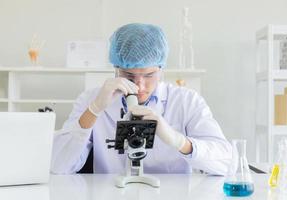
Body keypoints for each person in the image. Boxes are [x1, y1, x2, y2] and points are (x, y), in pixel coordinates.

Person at [51, 23, 232, 175]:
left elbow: (227, 163)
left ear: (161, 69)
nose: (139, 86)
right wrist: (94, 110)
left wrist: (178, 141)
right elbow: (59, 166)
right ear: (116, 69)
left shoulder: (186, 101)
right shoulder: (91, 99)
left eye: (149, 75)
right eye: (129, 75)